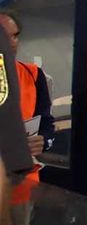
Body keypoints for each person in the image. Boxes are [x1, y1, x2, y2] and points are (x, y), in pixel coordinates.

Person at [0, 12, 55, 188]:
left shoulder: (33, 74)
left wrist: (43, 141)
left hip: (25, 180)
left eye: (15, 36)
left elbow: (46, 122)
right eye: (3, 36)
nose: (11, 42)